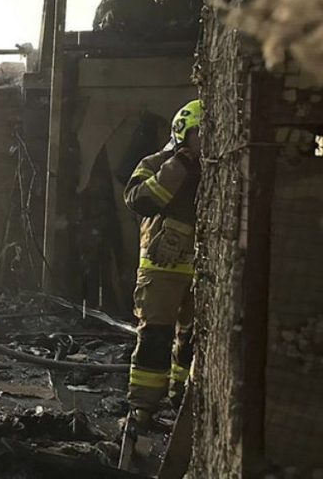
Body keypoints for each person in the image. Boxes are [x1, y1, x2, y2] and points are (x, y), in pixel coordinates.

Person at [122, 99, 202, 429]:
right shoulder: (156, 162)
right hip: (161, 271)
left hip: (201, 273)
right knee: (155, 338)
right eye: (199, 133)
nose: (206, 140)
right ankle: (142, 410)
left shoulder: (218, 169)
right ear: (183, 132)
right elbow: (139, 200)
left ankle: (182, 403)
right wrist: (177, 167)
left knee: (192, 342)